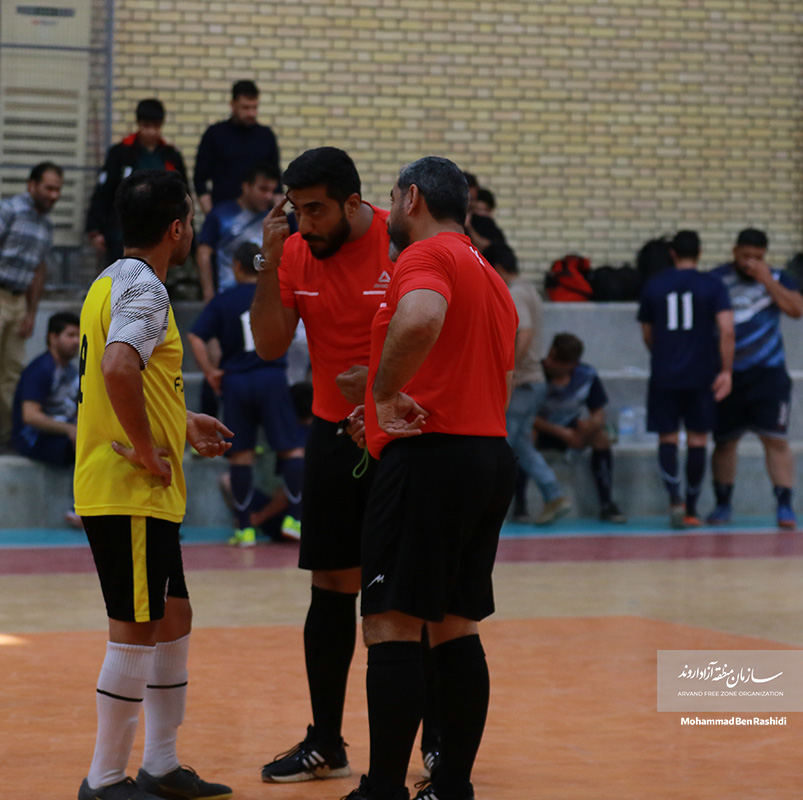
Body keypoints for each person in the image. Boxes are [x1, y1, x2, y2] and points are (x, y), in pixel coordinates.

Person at [344, 156, 517, 800]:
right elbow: (487, 372)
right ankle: (451, 788)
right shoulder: (488, 273)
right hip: (486, 456)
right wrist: (382, 403)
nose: (389, 209)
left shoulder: (425, 255)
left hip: (430, 461)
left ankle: (383, 790)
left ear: (412, 198)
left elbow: (419, 319)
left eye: (392, 197)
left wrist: (384, 394)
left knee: (390, 623)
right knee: (454, 626)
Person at [248, 147, 411, 783]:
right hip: (331, 434)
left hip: (400, 433)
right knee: (330, 589)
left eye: (316, 210)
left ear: (352, 203)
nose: (305, 223)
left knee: (407, 596)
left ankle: (431, 744)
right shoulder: (293, 251)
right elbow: (268, 345)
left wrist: (375, 384)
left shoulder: (401, 244)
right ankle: (326, 742)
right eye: (297, 210)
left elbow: (441, 335)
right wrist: (268, 262)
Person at [73, 169, 234, 800]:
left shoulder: (109, 281)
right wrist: (146, 448)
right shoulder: (148, 289)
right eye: (190, 220)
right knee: (136, 627)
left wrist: (179, 419)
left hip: (134, 490)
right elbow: (118, 367)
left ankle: (161, 765)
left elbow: (129, 375)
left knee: (172, 615)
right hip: (129, 488)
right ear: (177, 229)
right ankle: (105, 778)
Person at [188, 241, 306, 547]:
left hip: (236, 381)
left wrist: (210, 371)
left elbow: (196, 336)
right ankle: (295, 519)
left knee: (241, 455)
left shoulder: (224, 300)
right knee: (292, 449)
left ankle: (245, 529)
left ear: (236, 266)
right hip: (272, 376)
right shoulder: (275, 294)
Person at [707, 228, 803, 528]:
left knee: (775, 440)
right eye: (745, 256)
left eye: (757, 257)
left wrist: (767, 280)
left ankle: (785, 504)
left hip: (768, 374)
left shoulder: (777, 278)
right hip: (728, 375)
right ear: (734, 251)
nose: (750, 262)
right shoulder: (716, 280)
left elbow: (797, 309)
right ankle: (723, 503)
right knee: (725, 442)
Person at [637, 230, 735, 528]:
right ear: (700, 253)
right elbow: (727, 330)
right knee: (698, 439)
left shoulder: (654, 284)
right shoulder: (713, 285)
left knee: (667, 437)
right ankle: (692, 509)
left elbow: (647, 332)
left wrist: (662, 354)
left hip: (664, 373)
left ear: (672, 254)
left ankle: (674, 500)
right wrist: (726, 371)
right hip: (701, 373)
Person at [0, 162, 63, 450]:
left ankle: (10, 433)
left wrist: (31, 312)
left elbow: (39, 269)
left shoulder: (46, 224)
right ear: (32, 186)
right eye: (48, 188)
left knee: (13, 370)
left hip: (20, 300)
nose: (54, 195)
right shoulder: (7, 209)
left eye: (58, 190)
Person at [493, 250, 570, 525]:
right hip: (533, 382)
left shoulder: (515, 294)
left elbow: (524, 331)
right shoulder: (531, 291)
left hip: (524, 383)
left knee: (503, 445)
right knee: (522, 445)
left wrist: (510, 370)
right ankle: (553, 494)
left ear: (498, 268)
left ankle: (488, 506)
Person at [514, 333, 626, 523]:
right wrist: (561, 433)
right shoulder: (536, 375)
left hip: (572, 428)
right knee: (524, 437)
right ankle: (520, 506)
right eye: (550, 356)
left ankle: (607, 503)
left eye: (556, 360)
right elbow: (526, 416)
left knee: (601, 437)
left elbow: (599, 413)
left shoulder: (586, 376)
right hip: (543, 428)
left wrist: (590, 426)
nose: (549, 362)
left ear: (571, 364)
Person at [85, 99, 189, 264]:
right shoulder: (120, 154)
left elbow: (184, 196)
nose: (151, 132)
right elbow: (104, 191)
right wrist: (94, 229)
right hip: (123, 232)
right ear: (139, 124)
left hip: (162, 232)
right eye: (146, 126)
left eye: (155, 126)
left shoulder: (171, 156)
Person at [193, 80, 280, 215]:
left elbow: (277, 183)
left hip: (260, 215)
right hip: (223, 212)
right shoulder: (215, 134)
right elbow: (200, 180)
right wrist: (211, 216)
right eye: (245, 108)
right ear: (233, 105)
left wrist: (275, 214)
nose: (251, 113)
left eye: (254, 108)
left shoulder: (266, 136)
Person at [195, 163, 279, 302]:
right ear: (246, 187)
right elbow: (204, 253)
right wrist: (208, 293)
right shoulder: (221, 215)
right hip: (229, 294)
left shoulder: (272, 218)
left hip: (265, 296)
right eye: (263, 189)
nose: (269, 196)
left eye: (272, 191)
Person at [12, 311, 80, 469]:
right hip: (35, 438)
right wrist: (70, 429)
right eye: (70, 335)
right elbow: (30, 416)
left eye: (78, 336)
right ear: (53, 338)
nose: (76, 341)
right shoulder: (41, 369)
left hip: (63, 431)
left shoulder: (72, 371)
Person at [462, 173, 516, 274]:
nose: (470, 203)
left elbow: (490, 248)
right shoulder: (443, 219)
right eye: (467, 199)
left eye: (473, 199)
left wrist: (469, 227)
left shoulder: (483, 221)